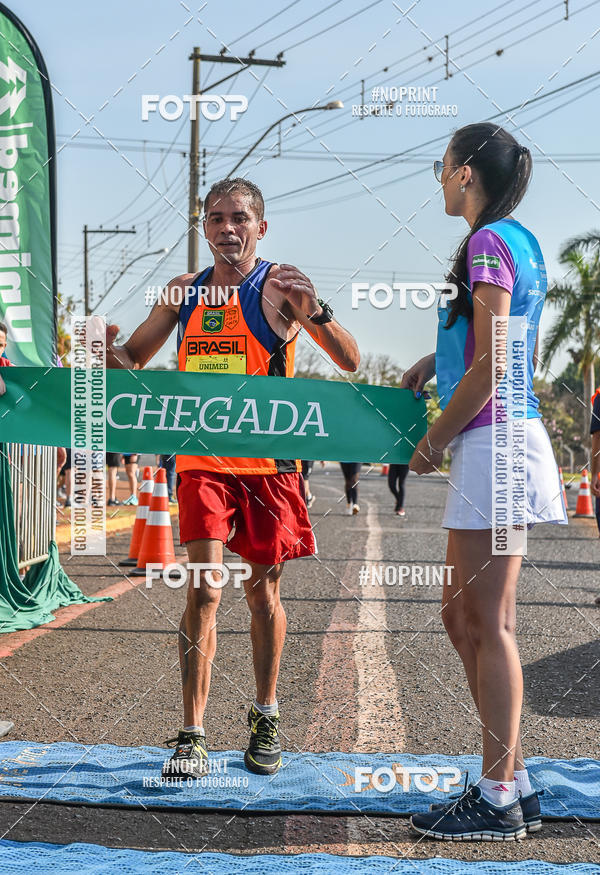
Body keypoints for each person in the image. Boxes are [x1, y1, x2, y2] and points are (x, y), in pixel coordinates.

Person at [105, 178, 359, 779]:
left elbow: (348, 358)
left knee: (262, 592)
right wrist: (106, 352)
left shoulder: (280, 287)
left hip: (268, 466)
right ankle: (191, 733)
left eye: (239, 218)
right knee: (203, 589)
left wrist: (317, 310)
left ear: (260, 227)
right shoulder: (180, 293)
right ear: (204, 228)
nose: (226, 228)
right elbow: (132, 361)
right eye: (215, 218)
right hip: (201, 463)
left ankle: (265, 714)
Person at [403, 123, 567, 842]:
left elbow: (495, 360)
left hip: (495, 442)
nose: (438, 178)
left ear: (466, 173)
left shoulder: (488, 242)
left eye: (441, 167)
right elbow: (489, 339)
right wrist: (428, 364)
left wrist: (434, 437)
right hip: (493, 440)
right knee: (458, 618)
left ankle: (498, 793)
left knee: (490, 623)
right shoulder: (513, 238)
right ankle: (516, 776)